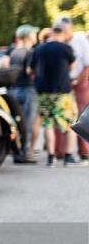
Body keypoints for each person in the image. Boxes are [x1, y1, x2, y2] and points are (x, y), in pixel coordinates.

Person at [30, 24, 86, 167]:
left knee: (48, 124)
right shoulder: (65, 48)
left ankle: (50, 158)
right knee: (70, 124)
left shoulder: (39, 48)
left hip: (44, 93)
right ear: (63, 34)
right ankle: (68, 157)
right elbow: (72, 66)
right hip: (63, 93)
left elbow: (31, 70)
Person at [56, 17, 89, 161]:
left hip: (80, 81)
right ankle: (60, 151)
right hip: (62, 84)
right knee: (61, 117)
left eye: (66, 30)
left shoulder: (80, 40)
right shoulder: (57, 41)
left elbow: (87, 65)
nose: (64, 34)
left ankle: (84, 150)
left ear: (71, 29)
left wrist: (78, 81)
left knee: (82, 116)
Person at [8, 25, 39, 163]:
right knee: (27, 123)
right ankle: (25, 153)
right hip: (28, 89)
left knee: (16, 122)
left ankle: (16, 151)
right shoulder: (30, 53)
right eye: (34, 34)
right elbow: (29, 72)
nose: (35, 36)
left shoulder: (14, 52)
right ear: (28, 36)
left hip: (14, 89)